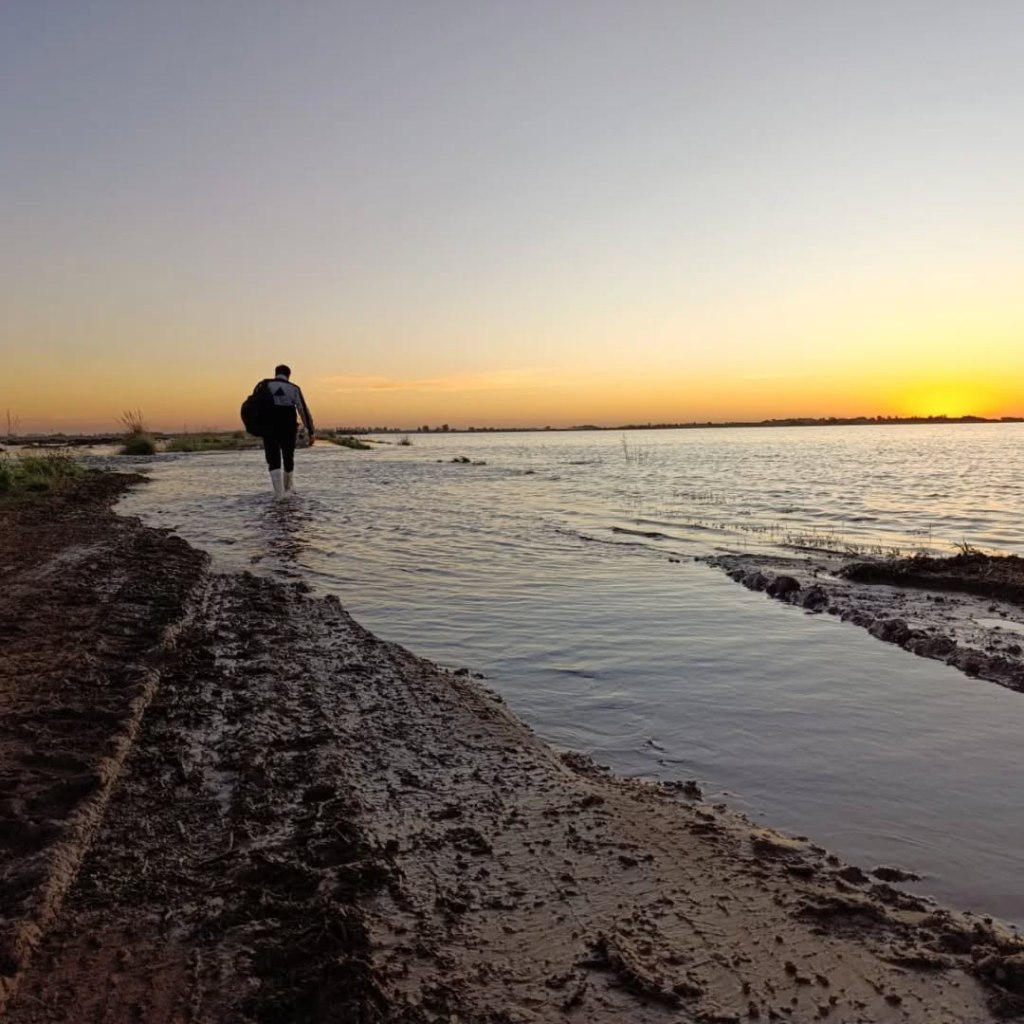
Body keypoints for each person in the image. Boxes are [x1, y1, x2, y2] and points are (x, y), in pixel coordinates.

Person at [262, 364, 315, 497]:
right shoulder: (294, 388)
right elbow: (302, 410)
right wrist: (310, 430)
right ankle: (288, 490)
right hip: (288, 428)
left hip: (268, 428)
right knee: (288, 457)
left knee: (273, 458)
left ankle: (278, 494)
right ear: (288, 375)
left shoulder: (264, 386)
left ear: (276, 373)